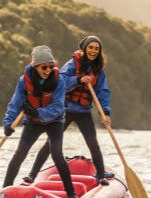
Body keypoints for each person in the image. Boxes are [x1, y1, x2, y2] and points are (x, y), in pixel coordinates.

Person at [23, 36, 111, 185]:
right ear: (84, 49)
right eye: (91, 47)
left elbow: (103, 92)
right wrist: (78, 80)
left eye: (97, 48)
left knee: (93, 143)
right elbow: (60, 81)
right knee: (50, 143)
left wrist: (106, 112)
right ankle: (32, 174)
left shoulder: (99, 71)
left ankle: (101, 174)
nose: (93, 51)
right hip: (65, 109)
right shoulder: (72, 64)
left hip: (83, 111)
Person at [2, 45, 82, 198]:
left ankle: (71, 194)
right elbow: (15, 104)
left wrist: (38, 112)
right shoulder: (23, 81)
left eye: (51, 66)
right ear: (35, 65)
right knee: (20, 154)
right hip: (33, 123)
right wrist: (8, 123)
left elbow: (58, 106)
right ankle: (5, 190)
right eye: (44, 67)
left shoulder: (58, 80)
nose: (48, 70)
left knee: (57, 155)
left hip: (55, 122)